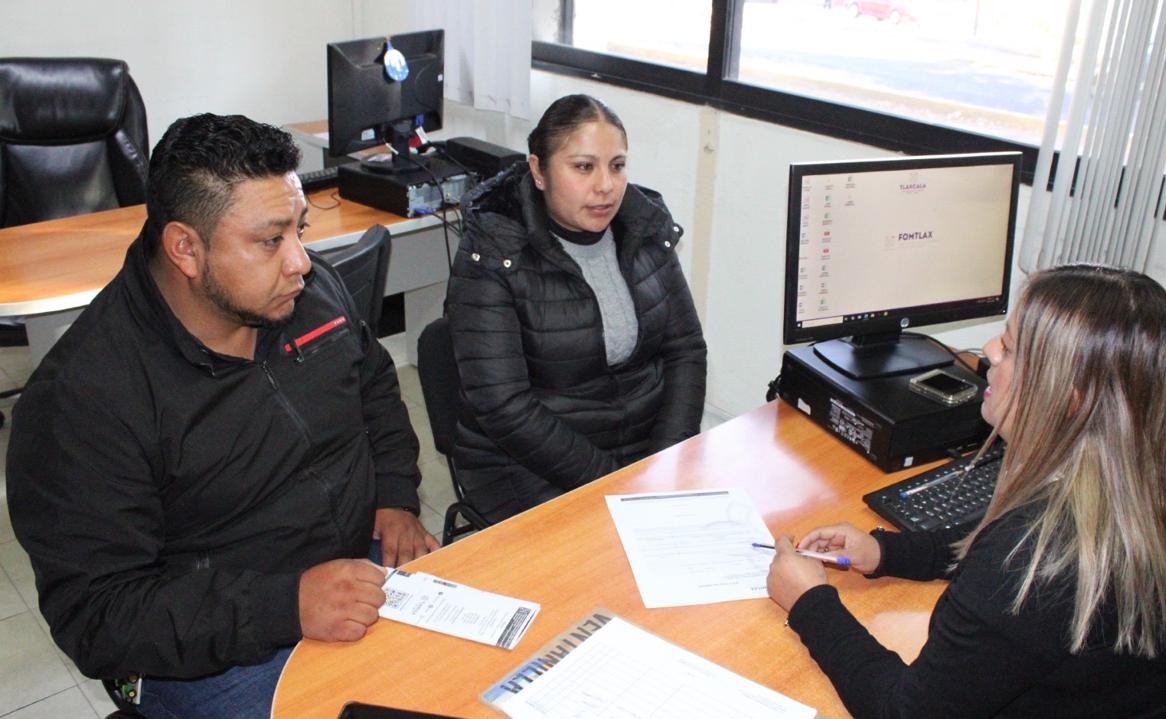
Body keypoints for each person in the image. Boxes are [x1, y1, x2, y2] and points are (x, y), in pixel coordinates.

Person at [5, 113, 439, 719]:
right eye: (270, 241)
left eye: (299, 230)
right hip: (213, 649)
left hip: (350, 570)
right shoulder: (83, 398)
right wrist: (286, 605)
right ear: (185, 248)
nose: (301, 262)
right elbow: (99, 616)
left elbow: (375, 387)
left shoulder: (308, 294)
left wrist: (393, 496)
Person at [766, 265, 1166, 717]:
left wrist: (810, 603)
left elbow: (904, 713)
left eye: (1010, 347)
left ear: (1068, 399)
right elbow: (988, 546)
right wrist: (886, 553)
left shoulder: (1031, 557)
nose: (988, 351)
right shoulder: (1150, 477)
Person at [445, 94, 707, 523]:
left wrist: (665, 461)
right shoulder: (494, 252)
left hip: (640, 453)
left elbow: (686, 350)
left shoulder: (645, 229)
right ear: (539, 171)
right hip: (527, 466)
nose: (606, 185)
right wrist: (613, 483)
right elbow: (504, 406)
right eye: (584, 167)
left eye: (617, 166)